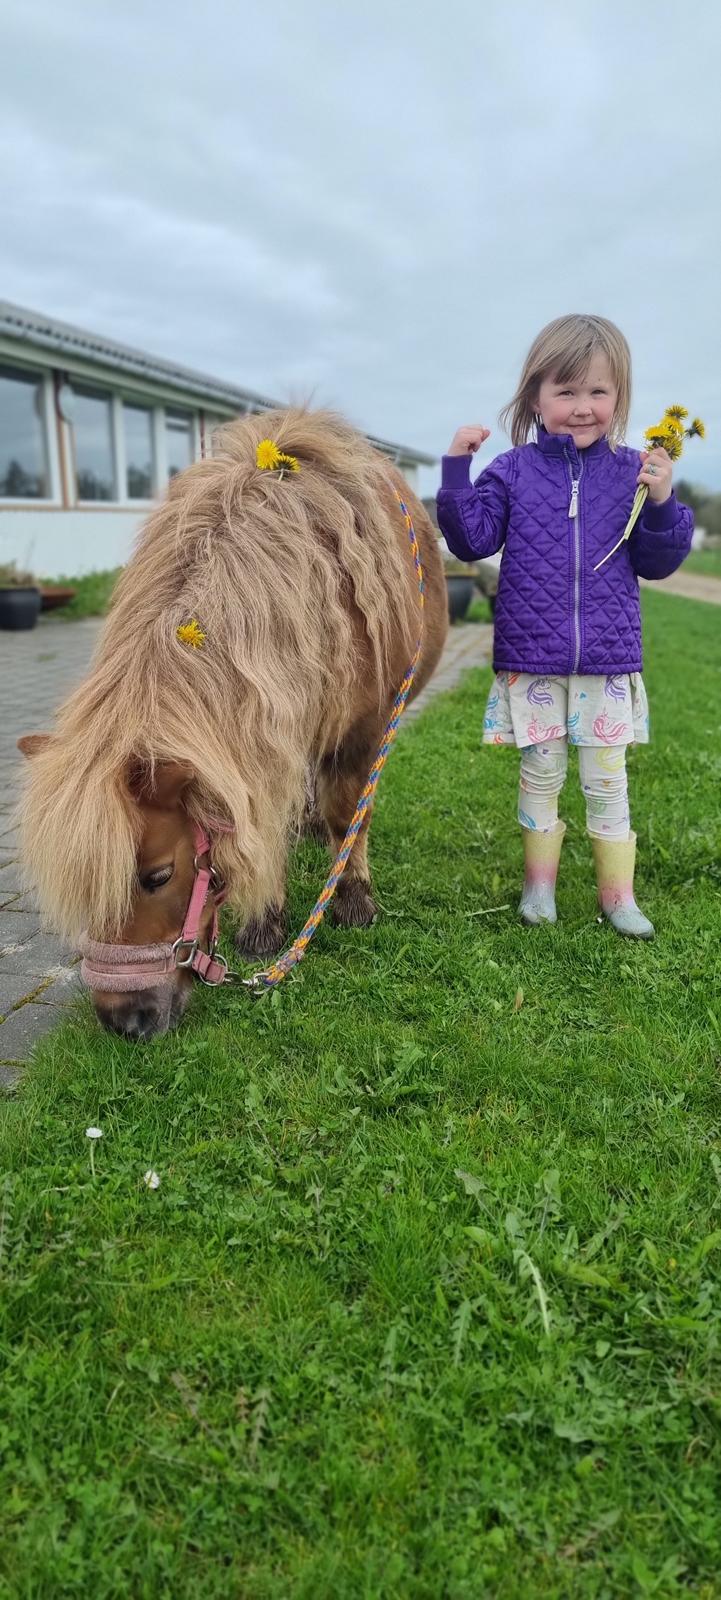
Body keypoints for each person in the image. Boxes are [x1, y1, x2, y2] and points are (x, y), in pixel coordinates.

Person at [436, 313, 694, 938]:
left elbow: (659, 561)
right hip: (534, 662)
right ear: (536, 397)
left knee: (608, 781)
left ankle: (617, 895)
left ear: (619, 398)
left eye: (598, 393)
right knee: (541, 774)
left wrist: (660, 501)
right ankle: (539, 888)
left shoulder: (634, 472)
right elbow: (471, 540)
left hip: (606, 660)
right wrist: (454, 471)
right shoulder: (512, 471)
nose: (583, 408)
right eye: (566, 391)